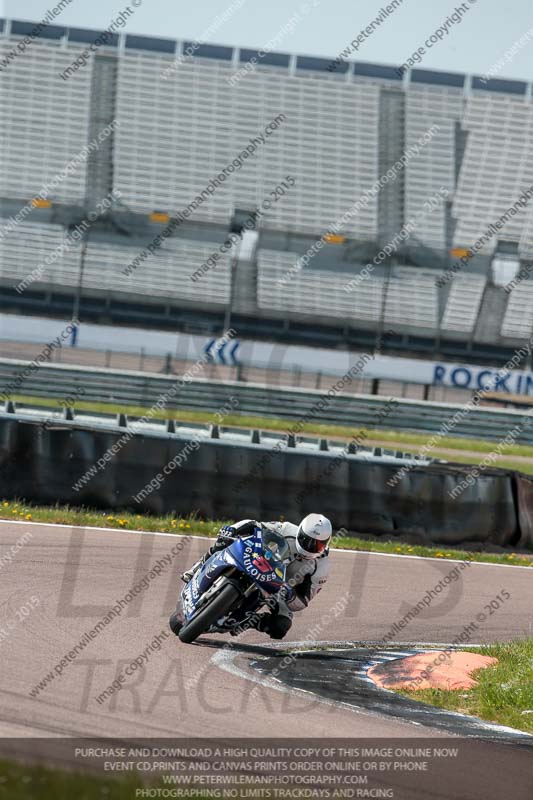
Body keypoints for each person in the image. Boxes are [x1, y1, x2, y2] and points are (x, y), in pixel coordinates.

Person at [181, 513, 332, 639]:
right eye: (306, 540)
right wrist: (232, 531)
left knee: (281, 626)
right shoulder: (286, 529)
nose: (310, 546)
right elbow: (254, 525)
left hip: (279, 589)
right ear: (300, 532)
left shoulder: (321, 567)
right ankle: (197, 568)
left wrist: (290, 595)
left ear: (326, 543)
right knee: (223, 543)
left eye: (317, 545)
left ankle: (249, 622)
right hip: (260, 561)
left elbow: (303, 601)